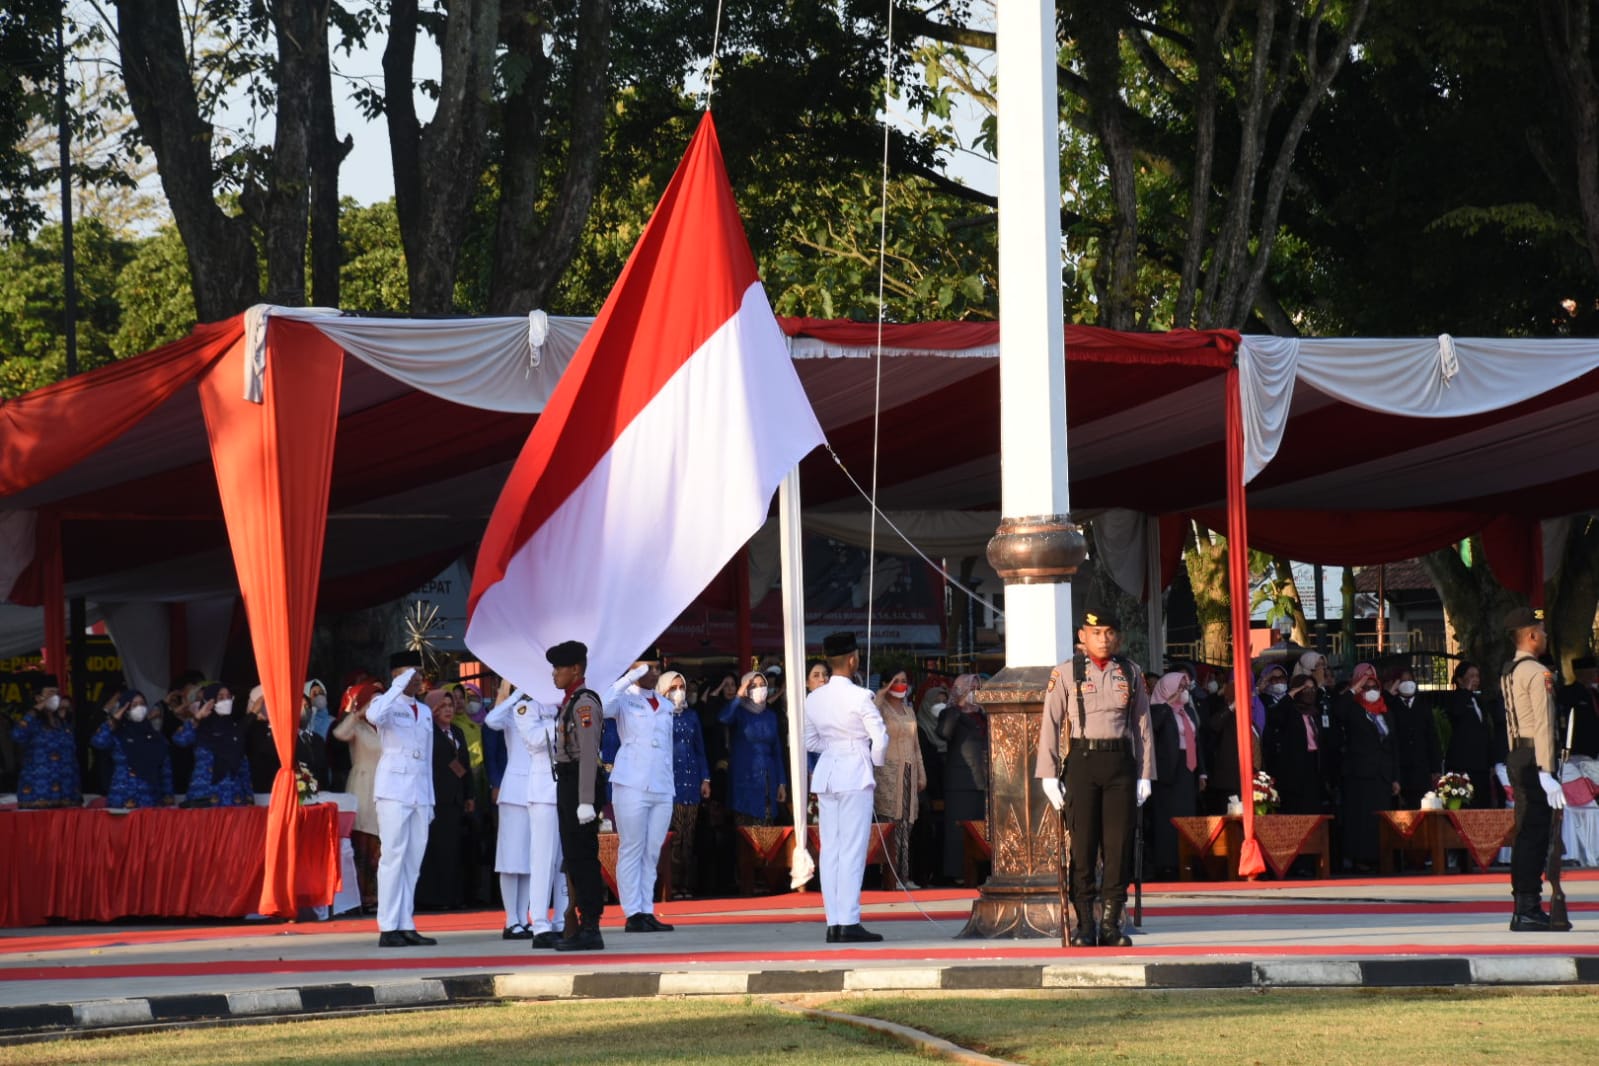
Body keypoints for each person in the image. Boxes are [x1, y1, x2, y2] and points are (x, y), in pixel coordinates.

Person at [1036, 610, 1154, 948]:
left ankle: (1111, 925)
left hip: (1120, 763)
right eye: (1096, 631)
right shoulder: (1066, 672)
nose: (1103, 638)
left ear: (1118, 637)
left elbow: (1142, 727)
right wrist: (1047, 774)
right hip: (1083, 762)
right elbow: (1051, 725)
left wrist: (1145, 775)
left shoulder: (1130, 672)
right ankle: (1085, 925)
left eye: (1109, 632)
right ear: (1082, 635)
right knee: (1083, 849)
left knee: (1119, 849)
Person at [805, 631, 888, 943]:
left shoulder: (814, 698)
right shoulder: (860, 696)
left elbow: (809, 740)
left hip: (828, 772)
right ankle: (849, 920)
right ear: (853, 660)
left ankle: (834, 922)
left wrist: (833, 746)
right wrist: (873, 761)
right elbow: (879, 739)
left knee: (832, 850)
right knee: (852, 849)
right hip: (854, 771)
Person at [1499, 607, 1572, 932]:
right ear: (1530, 635)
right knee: (1535, 832)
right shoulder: (1536, 671)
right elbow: (1543, 724)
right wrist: (1546, 770)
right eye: (1541, 630)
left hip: (1519, 754)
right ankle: (1527, 906)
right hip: (1534, 758)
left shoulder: (1509, 669)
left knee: (1527, 831)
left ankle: (1525, 905)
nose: (1544, 636)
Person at [602, 649, 677, 933]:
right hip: (632, 783)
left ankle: (646, 909)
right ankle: (632, 911)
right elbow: (602, 704)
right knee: (632, 847)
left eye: (656, 668)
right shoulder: (623, 698)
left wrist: (670, 785)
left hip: (661, 784)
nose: (653, 673)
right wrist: (629, 676)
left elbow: (667, 748)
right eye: (646, 668)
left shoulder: (666, 705)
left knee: (652, 849)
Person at [366, 652, 437, 947]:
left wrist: (430, 799)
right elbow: (373, 716)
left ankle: (406, 922)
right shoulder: (384, 704)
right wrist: (396, 686)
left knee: (413, 860)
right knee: (393, 856)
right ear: (396, 675)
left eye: (419, 673)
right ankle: (388, 925)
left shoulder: (425, 711)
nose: (417, 678)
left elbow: (429, 757)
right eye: (410, 672)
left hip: (420, 791)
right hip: (394, 789)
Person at [1336, 662, 1399, 872]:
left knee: (1380, 819)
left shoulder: (1384, 710)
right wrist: (1355, 688)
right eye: (1366, 686)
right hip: (1360, 773)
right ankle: (1361, 858)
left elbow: (1392, 745)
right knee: (1362, 818)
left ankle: (1381, 857)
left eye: (1374, 686)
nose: (1370, 691)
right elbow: (1339, 712)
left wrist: (1395, 777)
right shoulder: (1353, 709)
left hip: (1382, 774)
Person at [417, 688, 474, 909]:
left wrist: (469, 794)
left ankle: (451, 896)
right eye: (443, 706)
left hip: (455, 798)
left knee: (452, 849)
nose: (448, 710)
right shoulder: (428, 732)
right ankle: (432, 898)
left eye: (451, 706)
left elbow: (464, 765)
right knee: (435, 848)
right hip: (435, 796)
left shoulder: (457, 732)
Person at [1148, 671, 1205, 879]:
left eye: (1184, 688)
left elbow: (1198, 742)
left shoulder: (1187, 711)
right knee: (1167, 821)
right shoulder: (1156, 710)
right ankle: (1168, 864)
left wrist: (1202, 773)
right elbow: (1152, 730)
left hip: (1187, 770)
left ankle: (1187, 862)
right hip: (1166, 773)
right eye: (1179, 687)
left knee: (1187, 818)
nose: (1182, 692)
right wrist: (1167, 705)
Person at [873, 668, 927, 890]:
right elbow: (870, 712)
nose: (902, 685)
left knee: (907, 823)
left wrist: (921, 773)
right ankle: (890, 876)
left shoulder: (909, 711)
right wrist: (882, 692)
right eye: (897, 681)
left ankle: (904, 876)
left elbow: (916, 747)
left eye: (905, 681)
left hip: (909, 771)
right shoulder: (881, 710)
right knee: (890, 825)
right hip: (889, 773)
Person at [333, 681, 384, 913]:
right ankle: (364, 896)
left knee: (382, 846)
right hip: (363, 785)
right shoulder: (357, 727)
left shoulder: (386, 726)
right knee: (364, 843)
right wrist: (357, 714)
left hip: (385, 787)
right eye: (373, 701)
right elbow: (339, 734)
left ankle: (382, 894)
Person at [661, 669, 710, 900]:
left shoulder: (692, 717)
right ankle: (672, 885)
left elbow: (700, 749)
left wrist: (705, 778)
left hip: (692, 781)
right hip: (669, 782)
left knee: (689, 836)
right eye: (673, 688)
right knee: (675, 835)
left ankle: (687, 885)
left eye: (682, 688)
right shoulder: (659, 716)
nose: (679, 692)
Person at [937, 674, 988, 885]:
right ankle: (956, 873)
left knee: (981, 830)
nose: (974, 691)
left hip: (983, 778)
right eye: (970, 688)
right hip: (961, 780)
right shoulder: (950, 713)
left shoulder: (984, 715)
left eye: (977, 687)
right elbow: (943, 733)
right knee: (957, 832)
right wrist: (959, 706)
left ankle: (981, 872)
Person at [719, 671, 788, 825]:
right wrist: (738, 696)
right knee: (747, 835)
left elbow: (777, 752)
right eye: (754, 686)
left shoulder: (770, 715)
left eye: (762, 685)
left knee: (768, 835)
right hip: (745, 778)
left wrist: (782, 783)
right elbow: (723, 718)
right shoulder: (739, 712)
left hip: (768, 779)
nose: (759, 688)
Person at [173, 683, 254, 807]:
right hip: (205, 796)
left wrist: (249, 798)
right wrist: (198, 717)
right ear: (209, 700)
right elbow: (180, 740)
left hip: (232, 796)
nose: (226, 701)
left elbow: (243, 766)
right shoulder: (199, 727)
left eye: (228, 697)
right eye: (220, 697)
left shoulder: (234, 728)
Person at [90, 690, 174, 808]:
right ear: (126, 710)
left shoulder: (157, 738)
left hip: (149, 800)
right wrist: (113, 721)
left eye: (142, 704)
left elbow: (165, 771)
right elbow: (98, 742)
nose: (139, 708)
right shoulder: (117, 735)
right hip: (121, 800)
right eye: (134, 705)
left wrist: (168, 797)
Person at [13, 673, 81, 809]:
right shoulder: (32, 722)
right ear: (38, 697)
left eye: (57, 693)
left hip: (66, 792)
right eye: (50, 693)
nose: (55, 697)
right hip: (38, 792)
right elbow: (17, 735)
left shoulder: (63, 724)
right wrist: (36, 709)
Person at [1443, 662, 1506, 810]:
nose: (1475, 679)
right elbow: (1456, 713)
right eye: (1471, 676)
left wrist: (1490, 761)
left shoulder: (1479, 700)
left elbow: (1486, 731)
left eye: (1477, 676)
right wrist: (1466, 691)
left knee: (1482, 804)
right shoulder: (1454, 698)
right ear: (1459, 679)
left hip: (1480, 763)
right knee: (1462, 805)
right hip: (1462, 763)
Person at [1264, 666, 1325, 816]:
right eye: (1305, 688)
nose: (1309, 692)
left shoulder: (1315, 712)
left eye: (1312, 688)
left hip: (1313, 764)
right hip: (1294, 768)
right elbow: (1274, 717)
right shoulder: (1290, 711)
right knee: (1296, 809)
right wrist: (1290, 694)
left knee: (1312, 808)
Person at [1386, 666, 1441, 809]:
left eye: (1410, 680)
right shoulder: (1391, 706)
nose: (1407, 683)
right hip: (1401, 768)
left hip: (1421, 767)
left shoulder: (1423, 705)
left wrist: (1435, 767)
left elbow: (1432, 736)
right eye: (1402, 680)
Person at [244, 686, 279, 795]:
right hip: (253, 783)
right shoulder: (248, 725)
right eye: (264, 701)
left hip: (273, 785)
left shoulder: (277, 727)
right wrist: (254, 715)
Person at [297, 697, 331, 793]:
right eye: (300, 706)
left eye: (307, 706)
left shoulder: (318, 740)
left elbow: (324, 769)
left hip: (320, 795)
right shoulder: (287, 740)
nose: (304, 709)